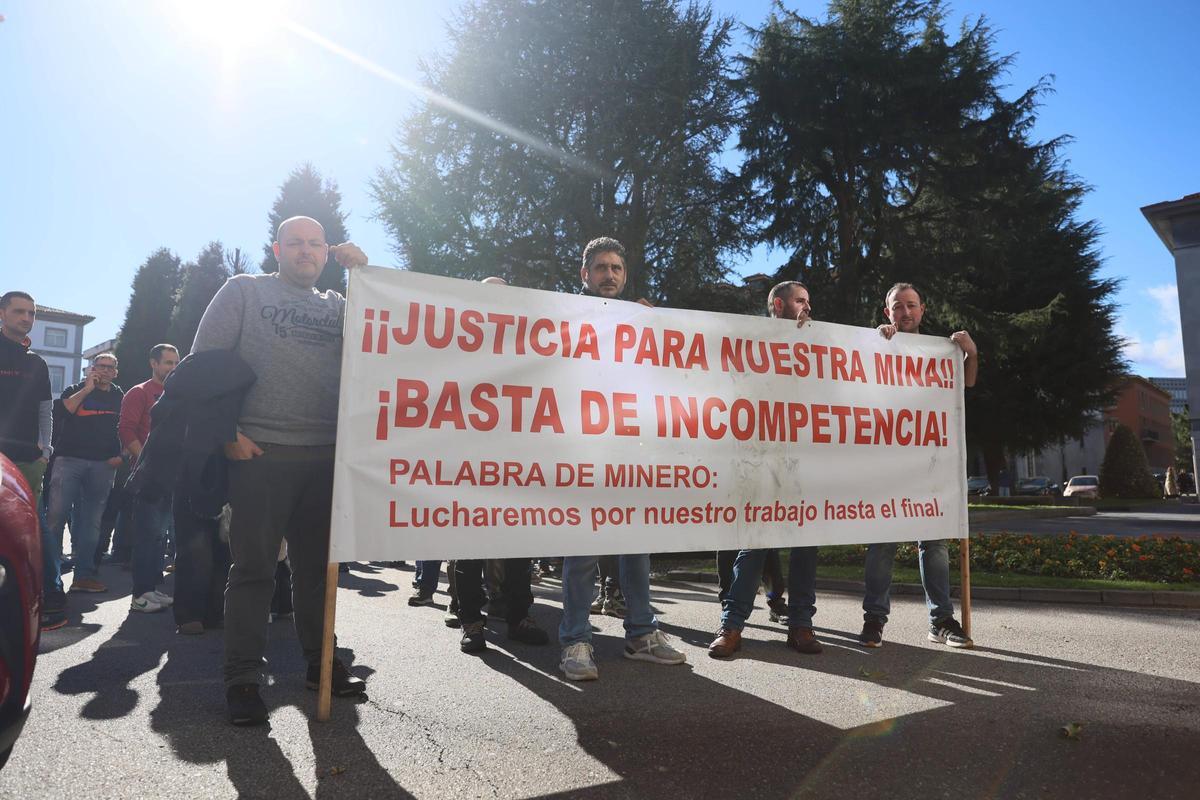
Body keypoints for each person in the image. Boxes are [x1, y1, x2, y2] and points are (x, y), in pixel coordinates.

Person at [191, 215, 369, 725]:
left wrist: (365, 272)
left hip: (326, 455)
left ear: (326, 251)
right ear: (277, 248)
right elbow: (203, 366)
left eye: (316, 244)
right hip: (260, 453)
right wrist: (227, 434)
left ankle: (321, 665)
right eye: (295, 243)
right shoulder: (243, 291)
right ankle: (242, 680)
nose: (305, 251)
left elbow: (392, 332)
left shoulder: (339, 304)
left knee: (319, 572)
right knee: (254, 571)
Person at [557, 237, 686, 681]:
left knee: (637, 546)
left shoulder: (641, 321)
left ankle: (641, 634)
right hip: (584, 451)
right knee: (583, 550)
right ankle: (576, 639)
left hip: (631, 451)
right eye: (600, 268)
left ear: (624, 275)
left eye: (615, 268)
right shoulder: (564, 318)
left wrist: (657, 329)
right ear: (584, 275)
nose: (608, 275)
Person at [860, 282, 978, 649]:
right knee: (882, 544)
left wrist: (970, 353)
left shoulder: (941, 352)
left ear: (923, 309)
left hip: (929, 466)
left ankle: (941, 620)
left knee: (935, 545)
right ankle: (874, 620)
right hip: (887, 466)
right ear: (887, 312)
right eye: (898, 307)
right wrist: (881, 343)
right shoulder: (878, 345)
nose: (905, 313)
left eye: (911, 306)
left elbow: (966, 384)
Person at [709, 281, 822, 658]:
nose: (807, 307)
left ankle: (801, 625)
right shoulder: (752, 341)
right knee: (754, 544)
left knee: (806, 546)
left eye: (808, 301)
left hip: (803, 460)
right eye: (800, 300)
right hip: (760, 460)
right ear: (778, 305)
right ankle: (732, 625)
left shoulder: (816, 342)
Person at [0, 291, 60, 629]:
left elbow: (45, 410)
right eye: (19, 311)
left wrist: (45, 451)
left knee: (33, 527)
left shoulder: (36, 363)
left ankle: (51, 595)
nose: (26, 318)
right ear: (2, 313)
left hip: (27, 461)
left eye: (32, 313)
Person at [45, 352, 124, 599]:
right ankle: (49, 577)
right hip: (68, 461)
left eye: (110, 368)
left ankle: (84, 576)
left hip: (103, 465)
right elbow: (62, 412)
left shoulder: (120, 397)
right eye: (100, 366)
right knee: (55, 518)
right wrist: (88, 389)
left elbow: (129, 425)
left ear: (116, 372)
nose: (105, 371)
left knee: (93, 523)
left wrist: (121, 456)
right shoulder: (75, 389)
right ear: (91, 369)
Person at [121, 343, 180, 613]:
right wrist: (146, 462)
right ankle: (139, 595)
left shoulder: (178, 395)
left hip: (171, 477)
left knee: (159, 537)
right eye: (167, 362)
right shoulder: (139, 393)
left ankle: (151, 589)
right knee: (146, 536)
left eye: (176, 363)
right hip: (149, 478)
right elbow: (126, 431)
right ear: (153, 364)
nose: (172, 368)